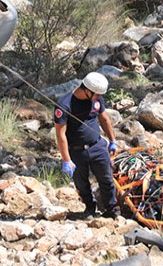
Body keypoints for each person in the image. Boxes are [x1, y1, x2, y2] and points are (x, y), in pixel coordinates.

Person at [54, 72, 119, 218]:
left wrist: (113, 141)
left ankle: (112, 209)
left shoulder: (96, 99)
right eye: (97, 95)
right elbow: (60, 134)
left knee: (107, 179)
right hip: (76, 151)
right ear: (87, 91)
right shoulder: (65, 105)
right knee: (81, 183)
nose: (99, 98)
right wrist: (66, 160)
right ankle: (90, 207)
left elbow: (104, 120)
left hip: (97, 146)